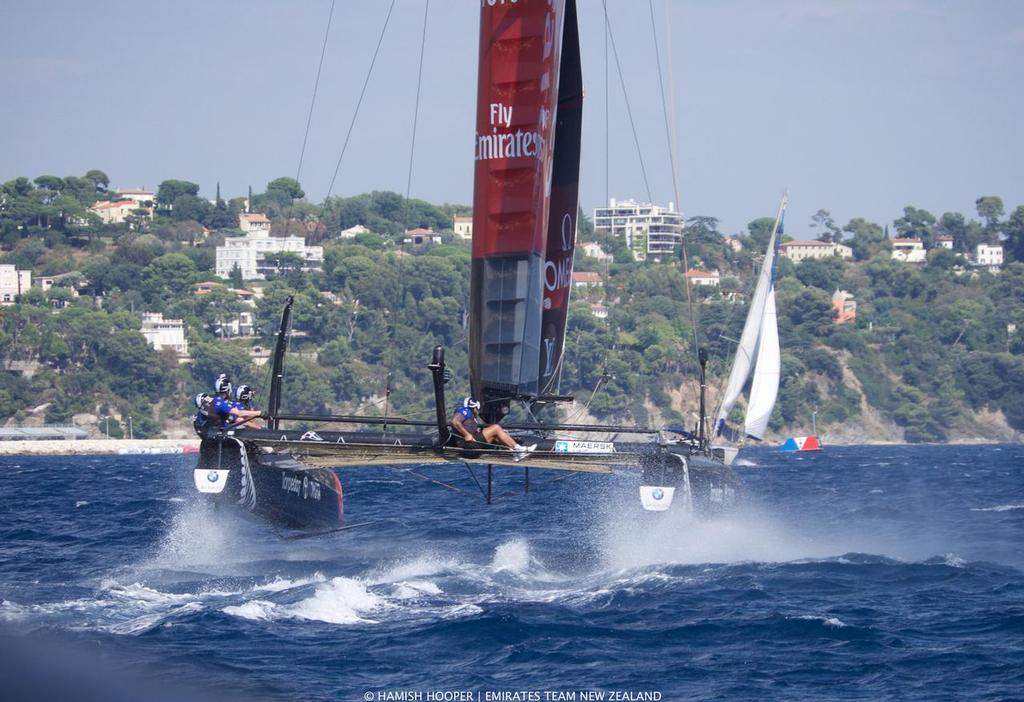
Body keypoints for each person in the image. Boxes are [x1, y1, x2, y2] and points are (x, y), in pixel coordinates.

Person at [450, 397, 536, 461]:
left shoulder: (472, 418)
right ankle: (519, 450)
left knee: (496, 435)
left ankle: (515, 452)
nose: (478, 412)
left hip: (472, 447)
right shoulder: (465, 411)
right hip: (467, 447)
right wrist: (467, 434)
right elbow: (455, 421)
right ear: (474, 407)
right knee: (496, 427)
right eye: (478, 409)